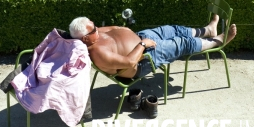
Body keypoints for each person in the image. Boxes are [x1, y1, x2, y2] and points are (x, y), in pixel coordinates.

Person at [68, 14, 237, 79]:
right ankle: (219, 41)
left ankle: (208, 30)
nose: (98, 29)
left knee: (172, 29)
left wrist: (128, 32)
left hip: (141, 38)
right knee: (182, 43)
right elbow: (128, 62)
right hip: (144, 58)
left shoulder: (93, 37)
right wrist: (142, 44)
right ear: (85, 39)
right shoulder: (97, 52)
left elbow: (113, 29)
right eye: (94, 30)